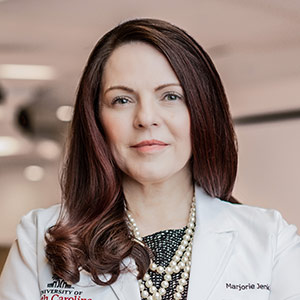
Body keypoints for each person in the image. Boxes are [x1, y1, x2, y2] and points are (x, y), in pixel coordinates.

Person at [0, 18, 300, 300]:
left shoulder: (269, 240)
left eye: (170, 96)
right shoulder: (39, 238)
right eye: (122, 99)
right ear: (96, 120)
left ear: (202, 110)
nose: (145, 118)